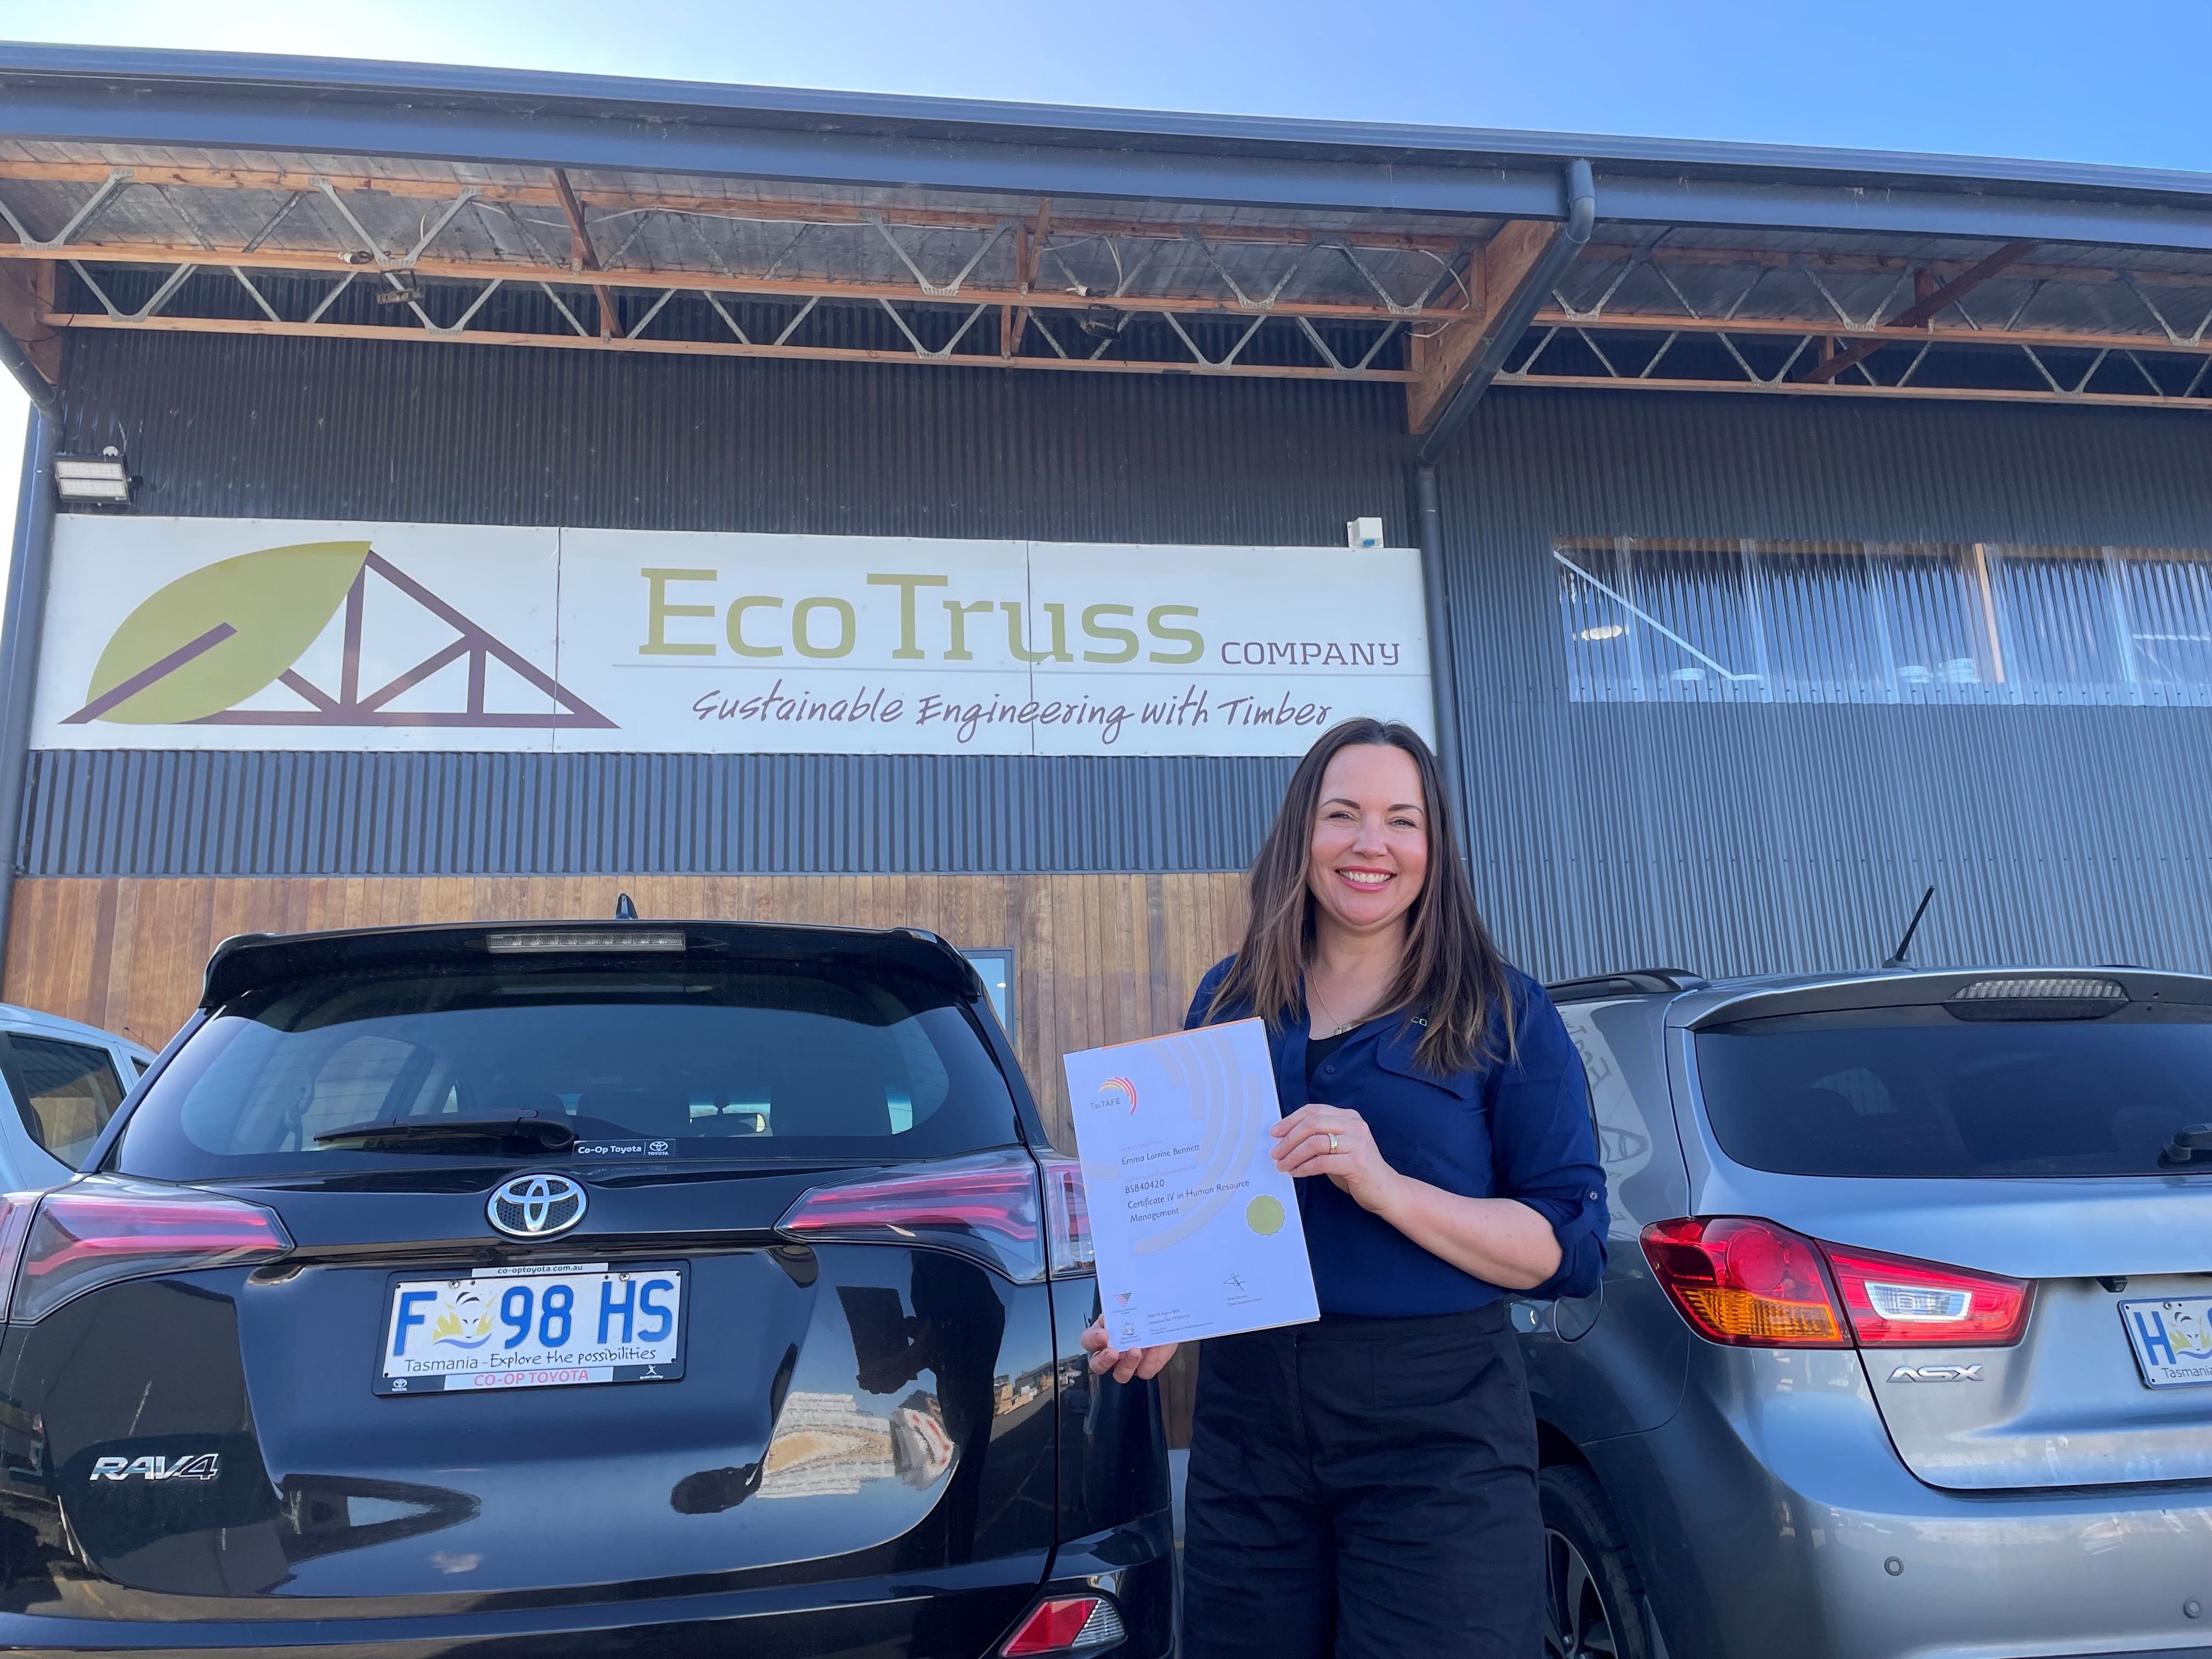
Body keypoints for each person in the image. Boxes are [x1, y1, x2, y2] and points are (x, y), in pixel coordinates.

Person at [1080, 716, 1606, 1659]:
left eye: (1402, 821)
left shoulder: (1502, 1010)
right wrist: (1157, 1308)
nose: (1372, 845)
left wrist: (1388, 1187)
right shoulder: (1229, 998)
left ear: (1434, 850)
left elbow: (1567, 1247)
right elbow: (1199, 1206)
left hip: (1437, 1435)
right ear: (1301, 837)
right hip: (1248, 1429)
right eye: (1344, 815)